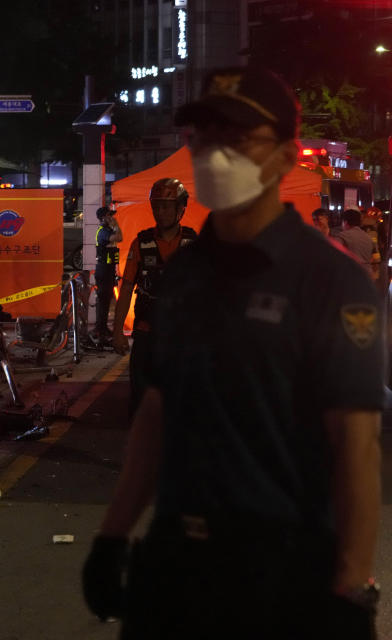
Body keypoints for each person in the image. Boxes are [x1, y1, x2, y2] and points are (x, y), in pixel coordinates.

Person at [82, 67, 383, 639]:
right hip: (175, 566)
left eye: (238, 139)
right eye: (204, 138)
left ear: (287, 156)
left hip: (285, 573)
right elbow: (157, 412)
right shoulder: (187, 272)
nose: (216, 156)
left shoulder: (330, 282)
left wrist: (350, 587)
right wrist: (112, 534)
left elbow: (357, 449)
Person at [111, 178, 196, 417]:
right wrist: (118, 331)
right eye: (157, 206)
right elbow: (127, 288)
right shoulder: (141, 244)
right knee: (142, 398)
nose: (161, 212)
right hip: (147, 332)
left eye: (167, 206)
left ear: (181, 208)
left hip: (181, 335)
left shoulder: (193, 243)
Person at [92, 206, 122, 339]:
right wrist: (116, 225)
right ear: (103, 217)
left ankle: (102, 328)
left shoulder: (107, 230)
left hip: (107, 269)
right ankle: (100, 330)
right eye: (110, 215)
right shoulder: (103, 232)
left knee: (106, 300)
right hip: (103, 270)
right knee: (103, 300)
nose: (112, 218)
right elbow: (120, 237)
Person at [336, 208, 377, 276]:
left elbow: (333, 254)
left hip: (351, 276)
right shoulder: (368, 238)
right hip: (367, 277)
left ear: (345, 222)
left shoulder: (343, 236)